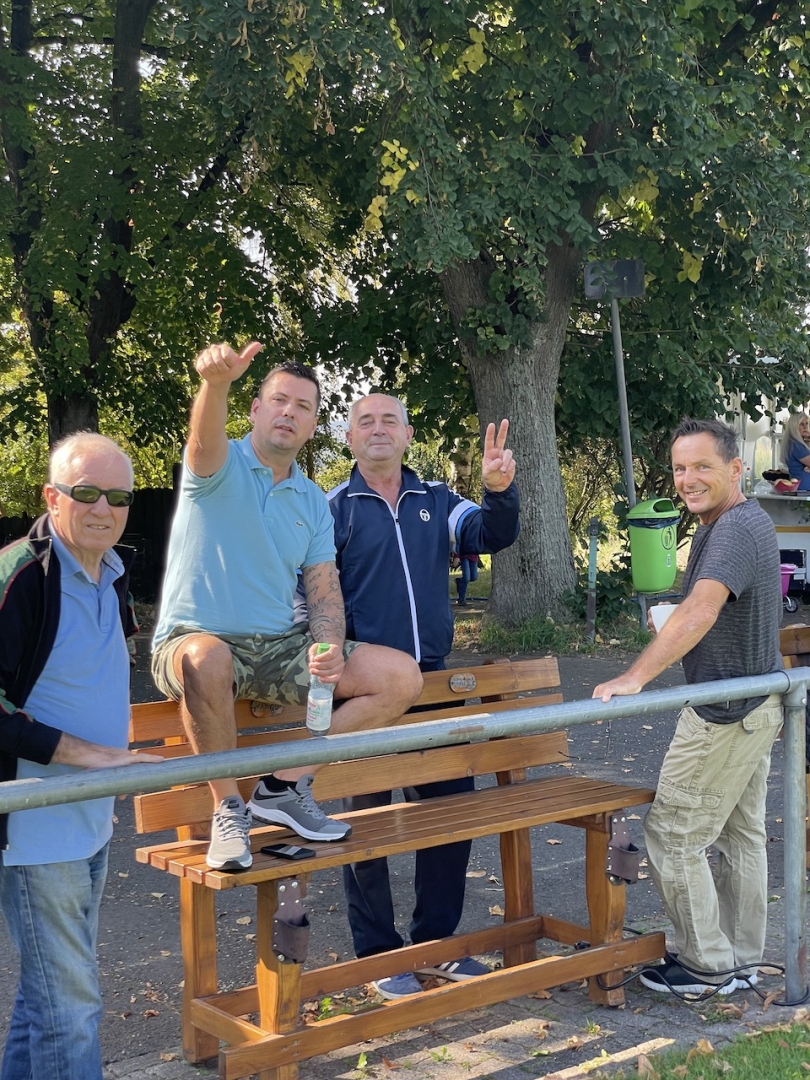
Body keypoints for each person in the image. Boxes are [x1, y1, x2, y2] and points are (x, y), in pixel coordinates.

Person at [152, 343, 422, 873]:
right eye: (278, 400)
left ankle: (283, 785)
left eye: (302, 407)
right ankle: (228, 809)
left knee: (400, 677)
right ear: (255, 409)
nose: (288, 413)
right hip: (193, 642)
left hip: (278, 648)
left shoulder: (312, 500)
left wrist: (328, 647)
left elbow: (323, 591)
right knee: (207, 658)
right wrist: (215, 384)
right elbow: (202, 436)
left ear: (314, 425)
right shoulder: (217, 465)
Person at [328, 392, 520, 999]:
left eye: (390, 420)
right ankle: (379, 957)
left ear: (408, 435)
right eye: (365, 421)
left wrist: (498, 489)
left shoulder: (437, 500)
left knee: (452, 816)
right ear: (350, 438)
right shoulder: (332, 509)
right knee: (364, 828)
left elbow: (492, 532)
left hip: (435, 685)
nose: (378, 429)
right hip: (365, 691)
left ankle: (437, 944)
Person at [593, 418, 783, 996]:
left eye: (703, 466)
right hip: (755, 704)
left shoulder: (733, 530)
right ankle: (740, 960)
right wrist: (673, 622)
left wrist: (635, 676)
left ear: (735, 469)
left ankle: (705, 967)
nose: (688, 478)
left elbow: (702, 610)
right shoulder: (734, 523)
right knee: (741, 836)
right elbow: (707, 611)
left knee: (673, 836)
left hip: (725, 714)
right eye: (680, 468)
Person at [0, 433, 163, 1080]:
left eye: (118, 497)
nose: (104, 508)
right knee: (70, 1010)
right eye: (86, 492)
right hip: (35, 830)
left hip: (89, 822)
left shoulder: (112, 574)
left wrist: (104, 771)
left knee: (45, 1002)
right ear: (51, 497)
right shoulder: (23, 577)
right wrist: (89, 757)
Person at [779, 412, 810, 490]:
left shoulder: (797, 443)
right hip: (804, 487)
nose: (805, 427)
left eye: (806, 423)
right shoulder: (796, 444)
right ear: (794, 427)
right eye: (801, 424)